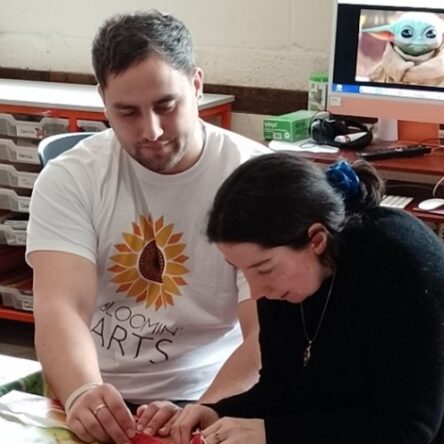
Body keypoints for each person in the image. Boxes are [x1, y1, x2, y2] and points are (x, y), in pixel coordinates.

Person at [26, 10, 267, 444]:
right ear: (103, 100)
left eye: (165, 106)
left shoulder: (254, 176)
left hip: (216, 393)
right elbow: (59, 307)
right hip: (97, 391)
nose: (151, 130)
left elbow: (266, 329)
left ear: (196, 85)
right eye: (127, 112)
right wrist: (83, 393)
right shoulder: (70, 178)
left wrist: (207, 407)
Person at [169, 153, 444, 444]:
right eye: (243, 271)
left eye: (263, 269)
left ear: (316, 239)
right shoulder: (284, 281)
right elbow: (283, 390)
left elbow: (409, 427)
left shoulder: (402, 266)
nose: (257, 291)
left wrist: (273, 434)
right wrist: (217, 414)